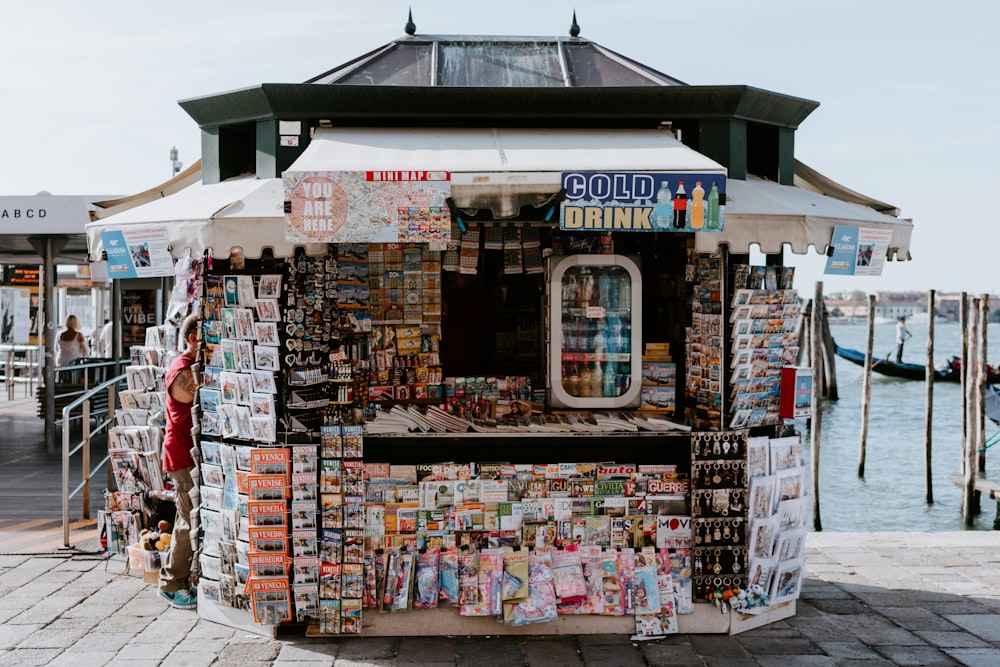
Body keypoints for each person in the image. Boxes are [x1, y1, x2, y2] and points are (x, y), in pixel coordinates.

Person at [158, 314, 200, 609]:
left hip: (187, 453)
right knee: (187, 519)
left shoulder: (191, 366)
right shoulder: (182, 369)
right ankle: (171, 584)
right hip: (181, 454)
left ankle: (182, 579)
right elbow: (196, 393)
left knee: (186, 516)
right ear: (194, 337)